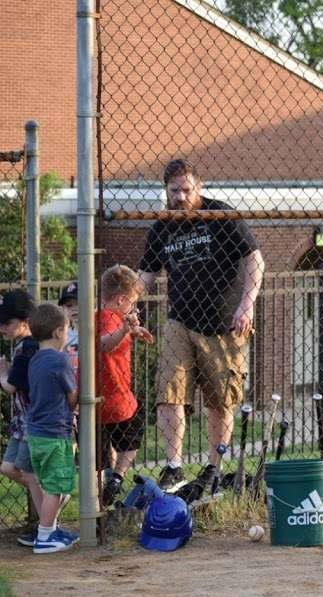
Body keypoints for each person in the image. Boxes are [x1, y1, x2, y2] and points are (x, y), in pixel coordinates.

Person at [139, 159, 264, 494]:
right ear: (165, 190)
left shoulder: (220, 216)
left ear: (199, 188)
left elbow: (255, 259)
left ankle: (213, 467)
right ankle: (174, 466)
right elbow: (146, 275)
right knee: (169, 392)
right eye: (174, 190)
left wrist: (246, 307)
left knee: (220, 402)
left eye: (186, 190)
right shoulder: (162, 226)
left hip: (223, 324)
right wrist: (127, 304)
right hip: (180, 320)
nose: (180, 197)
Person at [97, 265, 155, 506]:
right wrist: (125, 329)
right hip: (118, 399)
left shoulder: (99, 316)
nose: (133, 308)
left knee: (97, 458)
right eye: (132, 303)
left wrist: (134, 330)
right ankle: (118, 476)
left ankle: (100, 499)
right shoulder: (111, 318)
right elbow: (104, 343)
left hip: (96, 403)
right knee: (132, 436)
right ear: (121, 299)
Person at [25, 303, 79, 553]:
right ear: (58, 332)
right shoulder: (61, 360)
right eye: (67, 329)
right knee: (55, 487)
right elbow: (71, 396)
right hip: (54, 433)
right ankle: (45, 535)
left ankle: (51, 529)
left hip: (36, 433)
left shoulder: (35, 359)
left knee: (52, 485)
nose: (68, 334)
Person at [0, 289, 45, 547]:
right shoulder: (23, 345)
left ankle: (47, 524)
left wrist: (2, 373)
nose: (2, 328)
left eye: (7, 323)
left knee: (28, 473)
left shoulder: (28, 347)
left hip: (31, 420)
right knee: (8, 467)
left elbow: (12, 386)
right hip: (21, 422)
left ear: (25, 321)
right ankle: (52, 503)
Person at [58, 282, 79, 374]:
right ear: (63, 309)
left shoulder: (96, 330)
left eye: (78, 303)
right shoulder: (63, 335)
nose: (73, 308)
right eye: (69, 305)